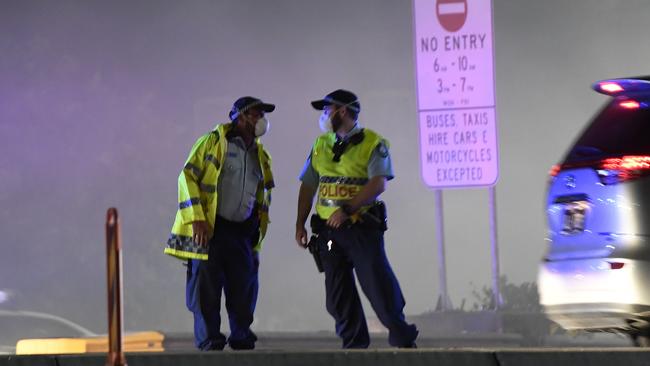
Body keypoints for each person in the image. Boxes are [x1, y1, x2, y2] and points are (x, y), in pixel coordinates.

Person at [295, 89, 418, 348]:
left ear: (342, 111)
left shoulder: (373, 143)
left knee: (377, 285)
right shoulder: (321, 145)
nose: (324, 116)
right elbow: (308, 185)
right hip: (328, 231)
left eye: (327, 110)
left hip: (360, 227)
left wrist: (348, 209)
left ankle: (400, 333)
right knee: (337, 294)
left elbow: (378, 183)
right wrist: (300, 223)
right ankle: (354, 344)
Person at [164, 96, 275, 351]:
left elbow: (261, 196)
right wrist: (198, 220)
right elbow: (187, 178)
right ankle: (210, 341)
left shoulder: (261, 155)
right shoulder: (213, 143)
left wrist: (256, 236)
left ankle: (241, 336)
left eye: (262, 114)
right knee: (206, 291)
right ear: (238, 117)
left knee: (244, 289)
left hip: (242, 233)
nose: (261, 119)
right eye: (255, 114)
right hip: (212, 230)